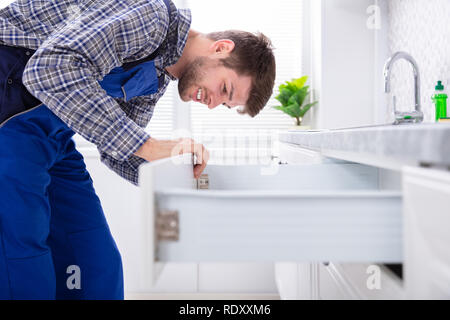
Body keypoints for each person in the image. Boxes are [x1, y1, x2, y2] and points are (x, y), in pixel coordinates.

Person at [0, 0, 276, 299]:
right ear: (221, 48)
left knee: (96, 263)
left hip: (52, 139)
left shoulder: (156, 78)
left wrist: (182, 179)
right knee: (23, 261)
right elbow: (48, 69)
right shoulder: (151, 17)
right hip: (8, 113)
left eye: (223, 104)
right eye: (225, 89)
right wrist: (149, 145)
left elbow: (118, 149)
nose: (212, 103)